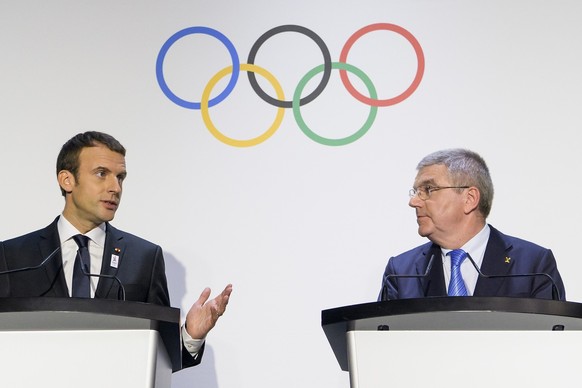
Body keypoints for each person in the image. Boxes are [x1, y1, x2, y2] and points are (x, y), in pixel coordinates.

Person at [0, 131, 232, 369]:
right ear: (67, 180)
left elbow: (162, 357)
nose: (115, 188)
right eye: (102, 174)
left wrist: (190, 335)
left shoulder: (144, 257)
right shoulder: (12, 256)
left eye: (120, 177)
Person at [378, 148, 565, 301]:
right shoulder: (401, 272)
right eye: (415, 192)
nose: (414, 202)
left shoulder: (533, 265)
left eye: (428, 189)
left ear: (470, 198)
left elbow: (551, 342)